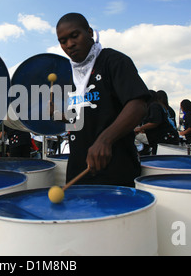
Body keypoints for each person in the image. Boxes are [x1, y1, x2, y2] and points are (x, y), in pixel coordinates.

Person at [54, 13, 150, 187]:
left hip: (115, 171)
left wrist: (105, 139)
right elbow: (82, 119)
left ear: (90, 32)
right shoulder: (72, 77)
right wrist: (62, 116)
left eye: (75, 36)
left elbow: (138, 105)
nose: (69, 44)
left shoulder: (114, 61)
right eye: (63, 41)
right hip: (79, 172)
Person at [135, 91, 179, 155]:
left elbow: (155, 122)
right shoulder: (160, 106)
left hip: (163, 140)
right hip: (168, 138)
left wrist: (140, 128)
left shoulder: (154, 106)